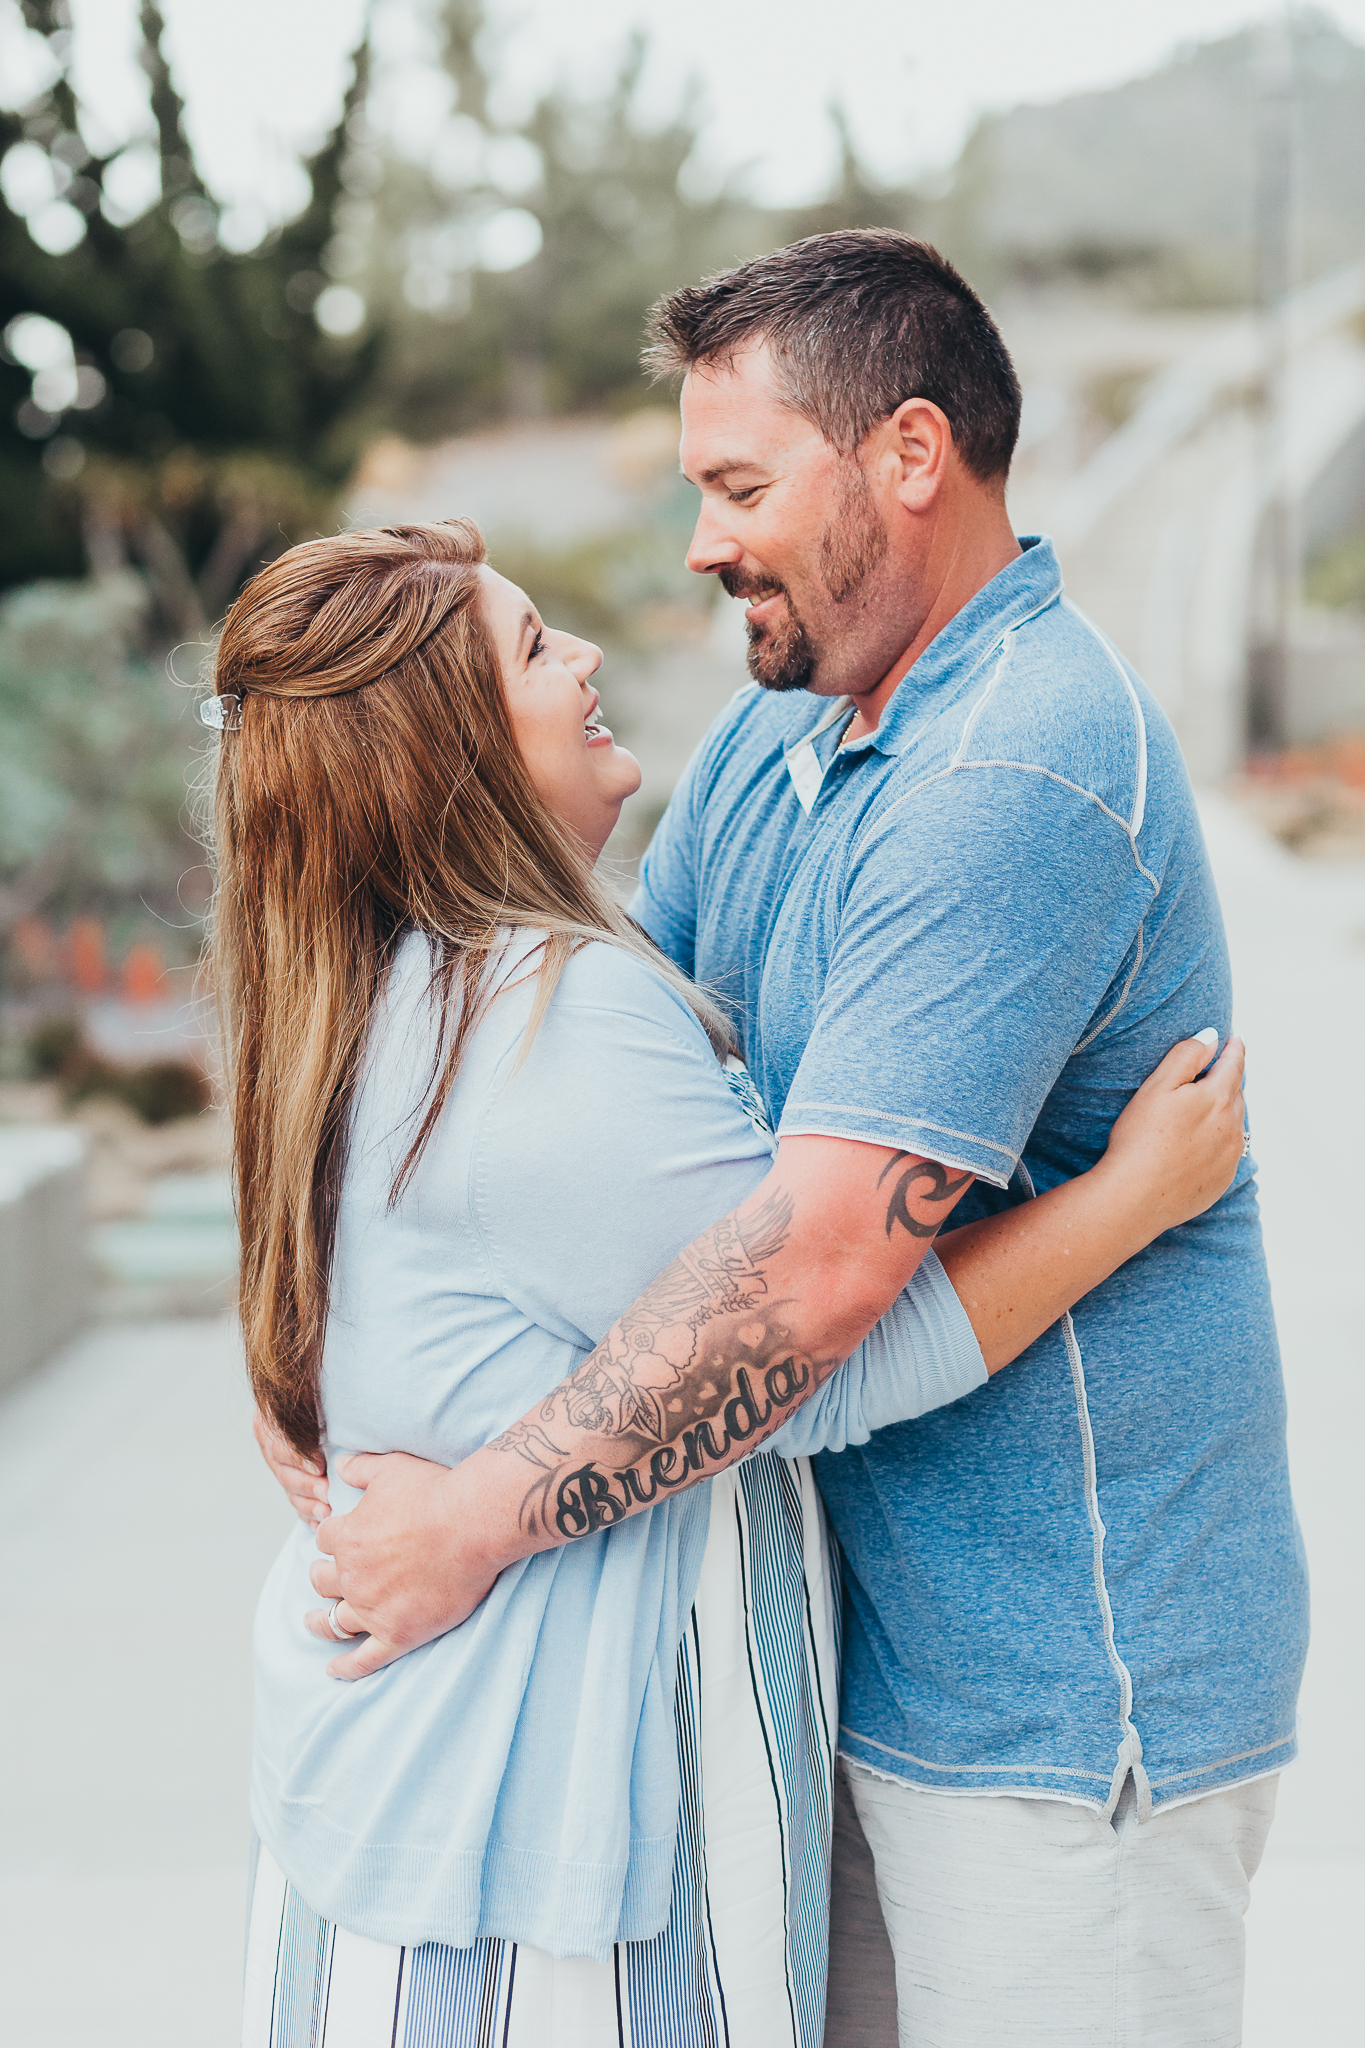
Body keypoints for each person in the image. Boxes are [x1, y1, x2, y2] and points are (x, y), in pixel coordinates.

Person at [300, 233, 1308, 2048]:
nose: (702, 544)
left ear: (908, 457)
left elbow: (813, 1278)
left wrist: (471, 1518)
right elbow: (628, 1101)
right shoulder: (790, 744)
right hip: (848, 1655)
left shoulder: (1011, 765)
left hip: (1060, 1706)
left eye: (739, 485)